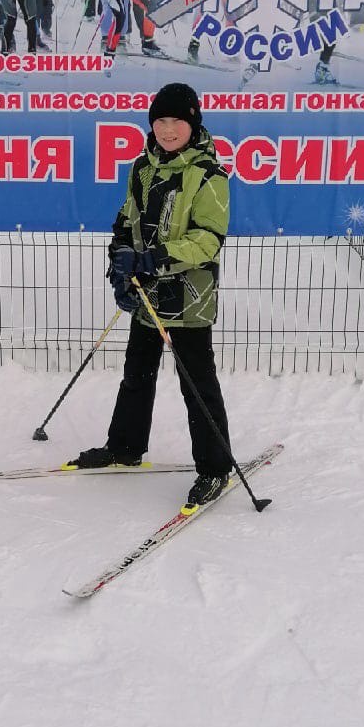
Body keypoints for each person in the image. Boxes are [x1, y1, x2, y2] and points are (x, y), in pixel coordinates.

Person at [72, 82, 235, 513]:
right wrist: (121, 260)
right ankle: (125, 447)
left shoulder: (210, 175)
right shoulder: (142, 167)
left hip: (189, 296)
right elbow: (128, 217)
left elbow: (208, 240)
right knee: (137, 372)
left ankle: (215, 468)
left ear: (193, 124)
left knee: (196, 383)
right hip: (147, 290)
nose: (167, 129)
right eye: (160, 120)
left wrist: (154, 258)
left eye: (176, 120)